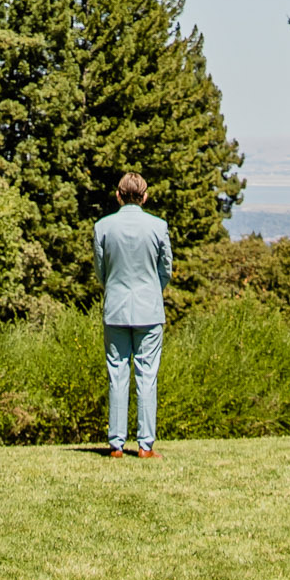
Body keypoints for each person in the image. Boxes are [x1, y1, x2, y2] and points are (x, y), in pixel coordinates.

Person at [94, 170, 173, 457]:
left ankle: (116, 444)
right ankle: (145, 445)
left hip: (115, 307)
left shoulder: (103, 227)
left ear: (118, 195)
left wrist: (114, 288)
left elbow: (100, 272)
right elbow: (166, 270)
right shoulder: (158, 227)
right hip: (149, 310)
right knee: (147, 376)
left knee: (117, 375)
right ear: (145, 195)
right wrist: (152, 289)